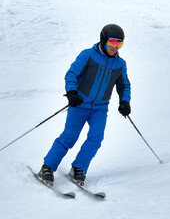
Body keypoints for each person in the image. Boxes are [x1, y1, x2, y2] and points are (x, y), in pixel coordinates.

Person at [38, 24, 131, 185]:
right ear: (103, 40)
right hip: (79, 104)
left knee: (96, 138)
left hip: (100, 108)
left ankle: (78, 169)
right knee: (69, 137)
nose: (114, 47)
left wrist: (124, 101)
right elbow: (72, 73)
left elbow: (124, 86)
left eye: (119, 44)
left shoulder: (120, 64)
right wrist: (72, 92)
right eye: (112, 42)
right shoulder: (88, 55)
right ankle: (47, 167)